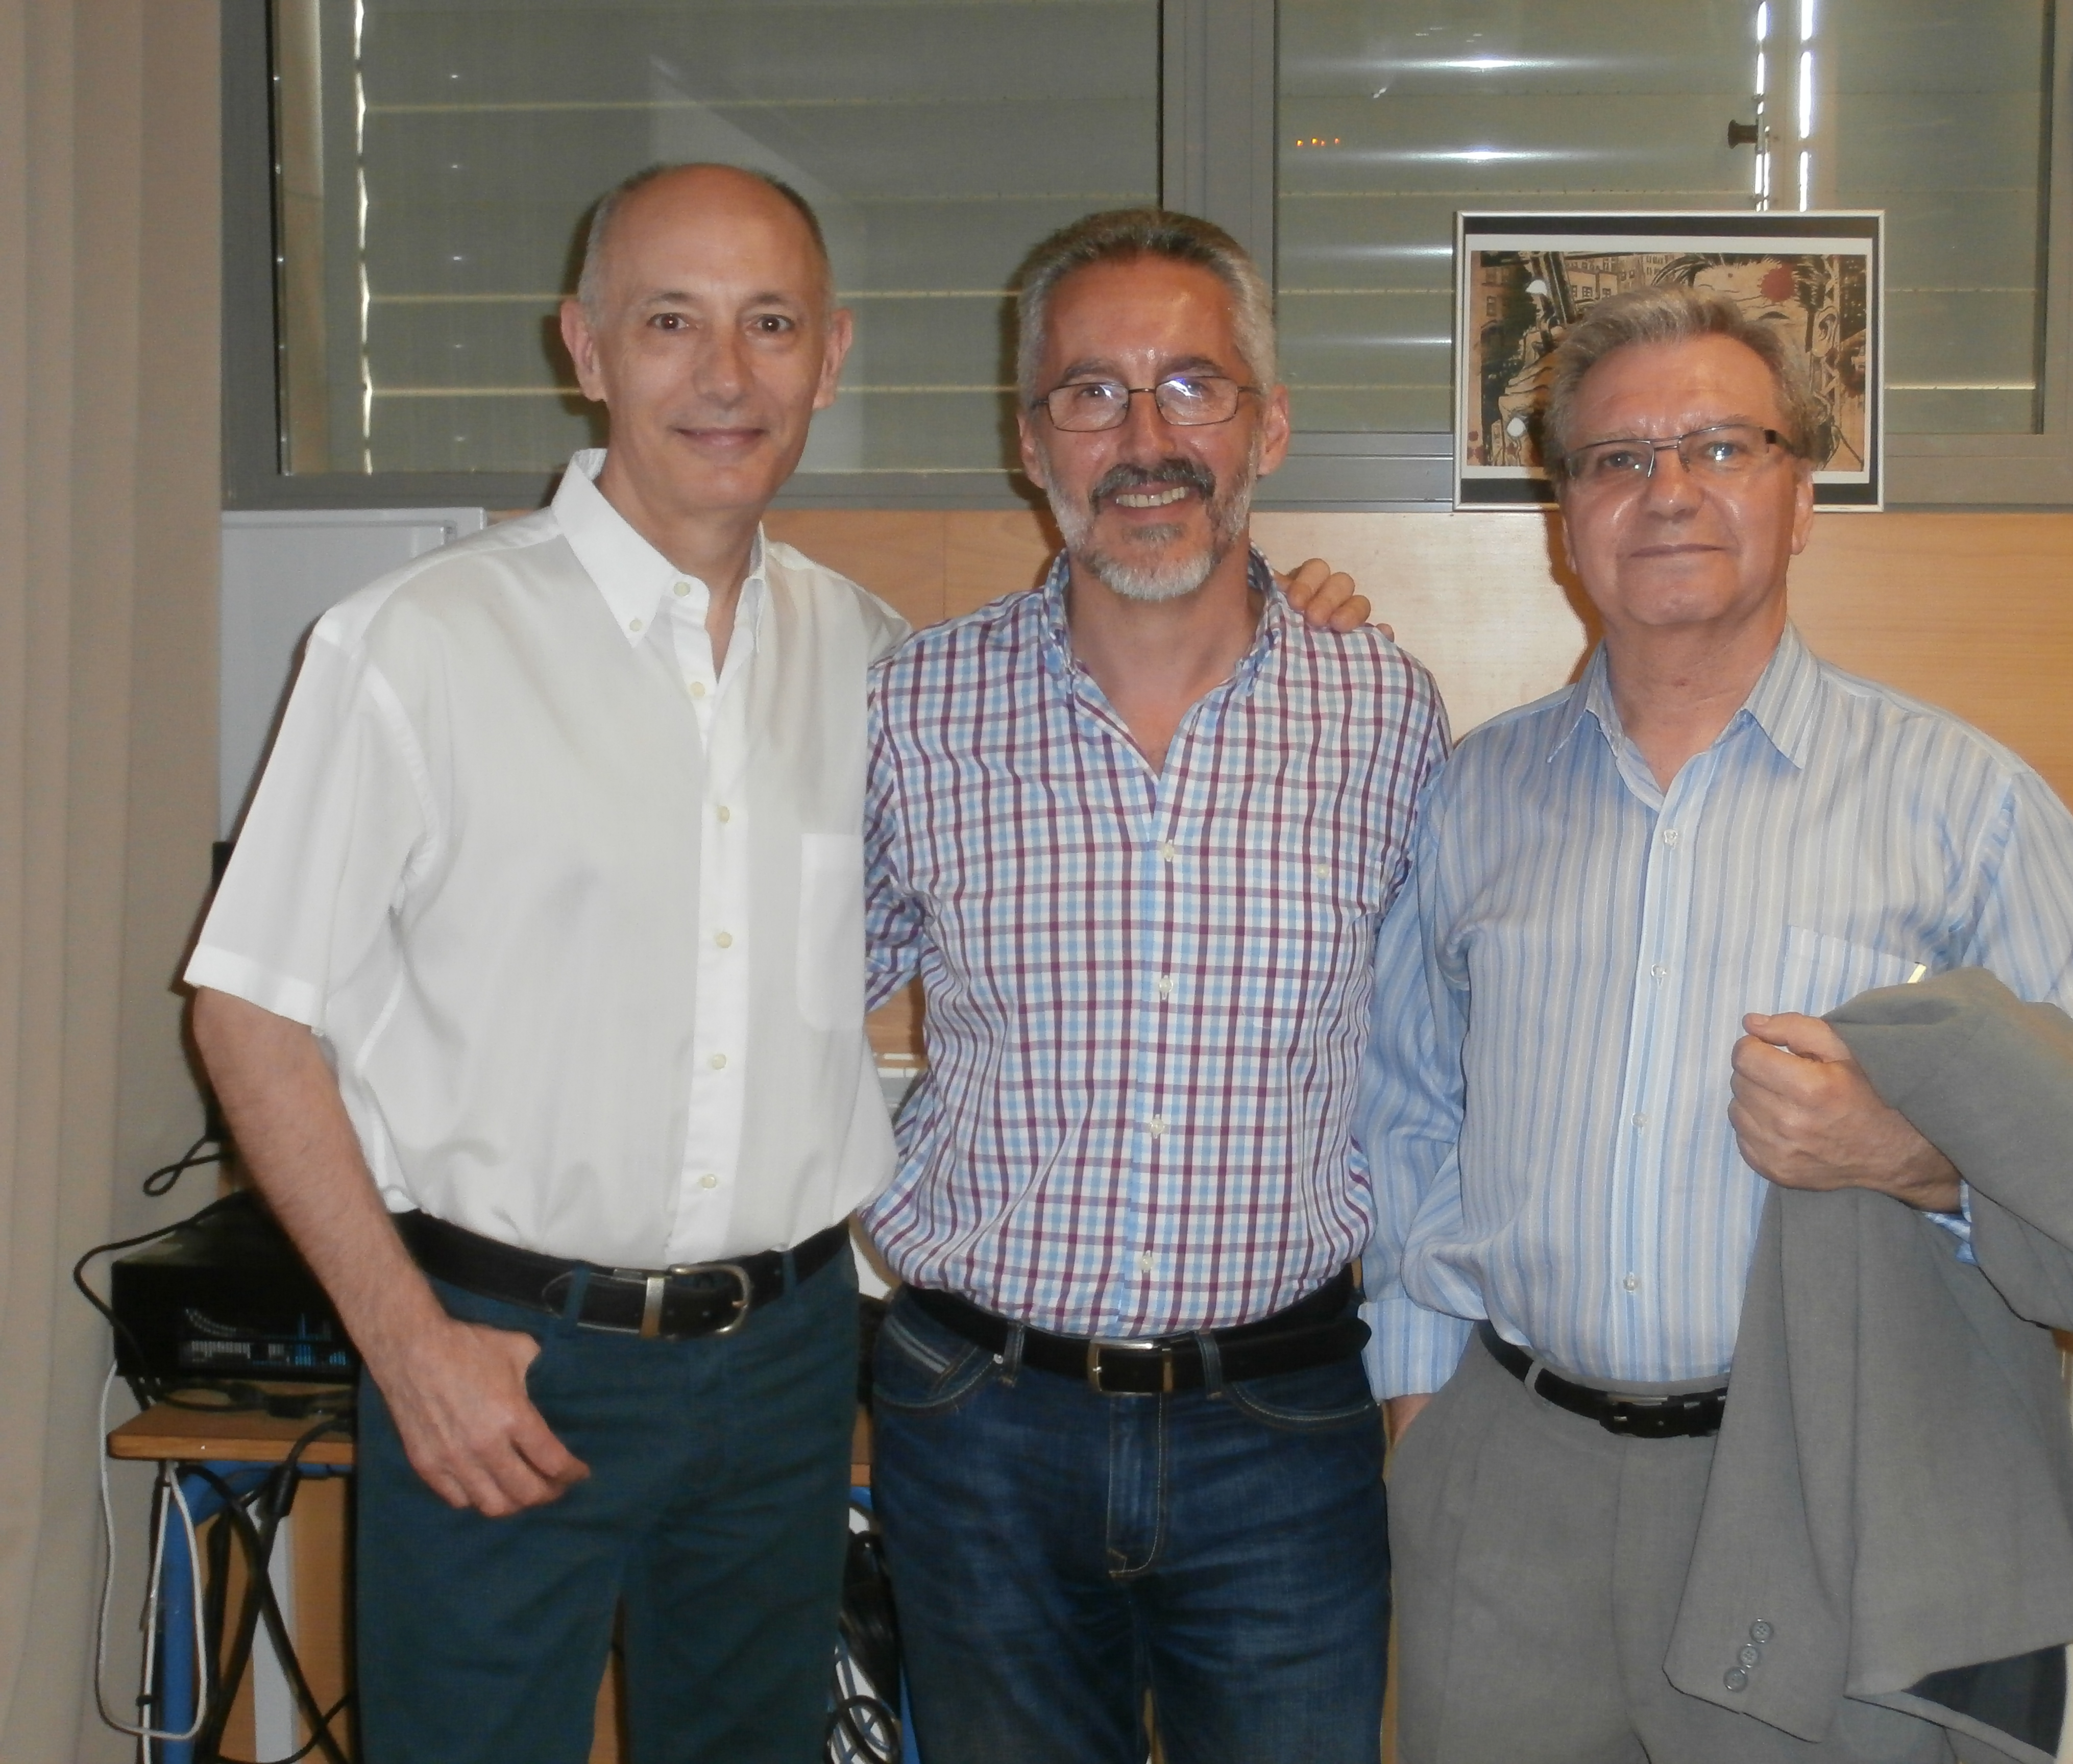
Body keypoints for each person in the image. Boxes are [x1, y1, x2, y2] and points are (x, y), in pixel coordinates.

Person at [186, 165, 1365, 1764]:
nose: (726, 376)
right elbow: (248, 1010)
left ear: (832, 356)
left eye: (770, 325)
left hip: (786, 1367)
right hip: (498, 1352)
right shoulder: (419, 644)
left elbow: (1091, 696)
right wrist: (405, 1342)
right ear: (585, 347)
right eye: (671, 322)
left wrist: (1293, 618)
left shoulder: (878, 665)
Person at [1360, 284, 2073, 1764]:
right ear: (1566, 518)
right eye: (1618, 458)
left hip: (1824, 1487)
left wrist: (1911, 1156)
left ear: (1802, 496)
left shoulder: (1968, 810)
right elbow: (1408, 1113)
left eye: (1721, 446)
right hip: (1509, 1491)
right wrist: (1420, 1415)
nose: (1668, 490)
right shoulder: (1467, 800)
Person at [860, 208, 1452, 1764]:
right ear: (1028, 439)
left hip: (1283, 1430)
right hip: (978, 1424)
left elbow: (1431, 1074)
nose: (1144, 439)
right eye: (1091, 392)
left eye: (1192, 386)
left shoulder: (1385, 715)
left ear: (1269, 425)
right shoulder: (912, 709)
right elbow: (776, 1005)